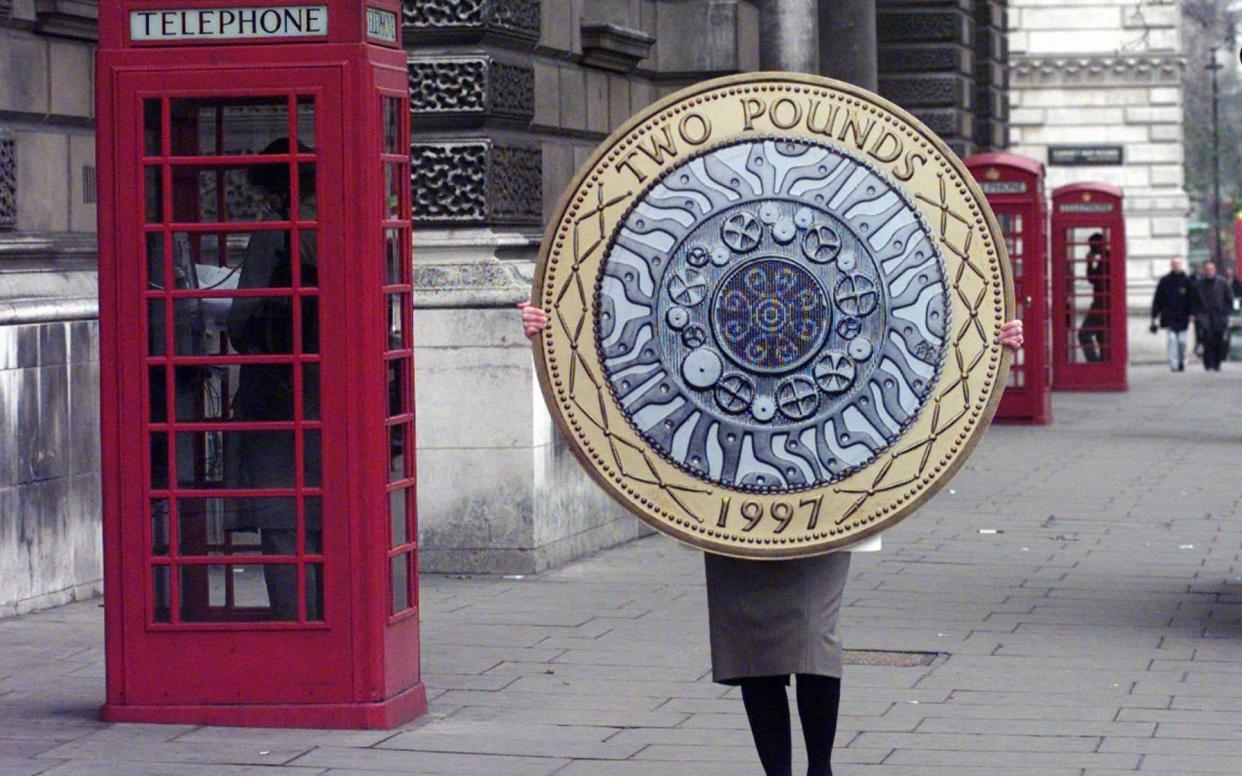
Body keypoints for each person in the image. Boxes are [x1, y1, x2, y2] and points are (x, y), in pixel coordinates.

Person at [519, 300, 1022, 776]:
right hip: (729, 480)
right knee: (752, 645)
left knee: (812, 635)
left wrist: (987, 342)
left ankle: (820, 768)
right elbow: (636, 319)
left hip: (827, 480)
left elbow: (909, 321)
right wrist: (555, 328)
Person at [226, 138, 322, 620]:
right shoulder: (345, 219)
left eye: (265, 193)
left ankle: (295, 622)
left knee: (282, 518)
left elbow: (242, 319)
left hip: (278, 391)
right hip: (329, 392)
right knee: (327, 518)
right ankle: (333, 618)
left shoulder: (277, 231)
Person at [1149, 257, 1194, 371]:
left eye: (1178, 263)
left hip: (1183, 315)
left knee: (1182, 342)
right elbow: (1158, 298)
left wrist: (1192, 314)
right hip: (1169, 315)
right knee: (1172, 340)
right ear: (1171, 265)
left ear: (1181, 265)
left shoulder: (1187, 281)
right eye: (1174, 264)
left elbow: (1193, 299)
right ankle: (1173, 364)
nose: (1176, 266)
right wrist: (1154, 314)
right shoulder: (1165, 280)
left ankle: (1182, 360)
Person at [1192, 261, 1235, 372]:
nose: (1209, 272)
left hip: (1219, 316)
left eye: (1211, 270)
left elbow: (1229, 299)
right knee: (1207, 340)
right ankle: (1209, 364)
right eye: (1207, 270)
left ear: (1214, 270)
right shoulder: (1198, 284)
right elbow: (1193, 300)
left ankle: (1217, 363)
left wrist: (1226, 312)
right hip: (1204, 316)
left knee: (1219, 340)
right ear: (1204, 271)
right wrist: (1195, 314)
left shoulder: (1222, 282)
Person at [1078, 233, 1110, 363]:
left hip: (1101, 306)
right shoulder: (1105, 258)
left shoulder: (1107, 259)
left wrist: (1089, 263)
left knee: (1083, 334)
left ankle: (1095, 364)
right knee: (1102, 338)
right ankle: (1102, 366)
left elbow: (1093, 279)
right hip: (1103, 305)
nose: (1091, 248)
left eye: (1093, 246)